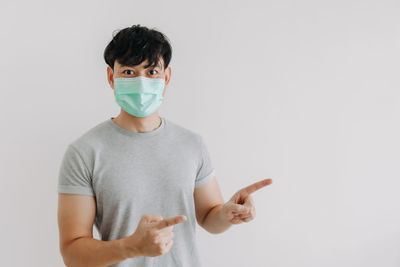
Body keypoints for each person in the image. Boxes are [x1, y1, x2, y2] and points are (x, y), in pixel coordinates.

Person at [57, 24, 272, 267]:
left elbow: (208, 216)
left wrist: (227, 214)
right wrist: (132, 247)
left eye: (151, 72)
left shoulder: (192, 144)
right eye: (128, 72)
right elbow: (72, 253)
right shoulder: (84, 152)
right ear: (111, 77)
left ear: (166, 77)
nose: (141, 82)